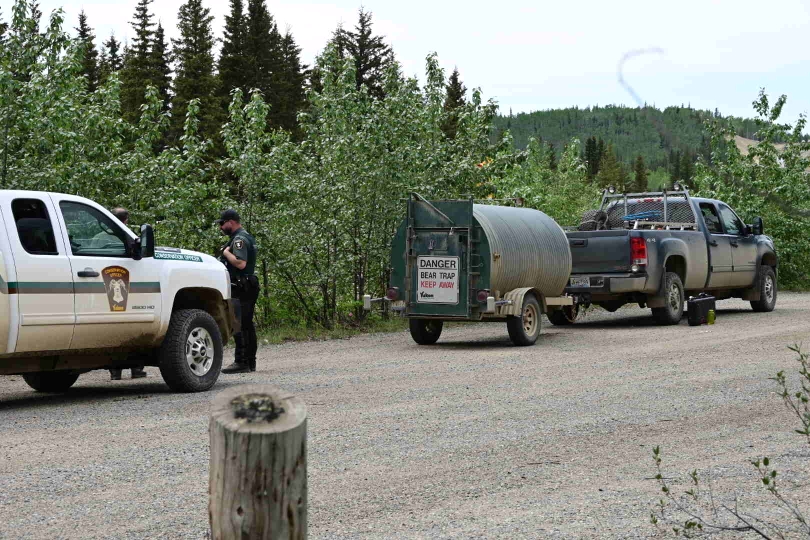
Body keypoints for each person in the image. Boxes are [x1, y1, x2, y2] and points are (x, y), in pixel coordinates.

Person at [107, 208, 148, 381]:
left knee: (113, 331)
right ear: (125, 221)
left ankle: (115, 371)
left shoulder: (97, 237)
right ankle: (136, 369)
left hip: (106, 285)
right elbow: (138, 256)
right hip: (125, 284)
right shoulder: (127, 237)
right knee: (135, 330)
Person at [217, 209, 260, 374]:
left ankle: (241, 361)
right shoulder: (246, 236)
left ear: (231, 222)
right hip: (247, 285)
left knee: (239, 324)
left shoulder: (239, 240)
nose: (221, 227)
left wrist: (226, 253)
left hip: (242, 286)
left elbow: (240, 263)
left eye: (222, 223)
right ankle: (250, 362)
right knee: (247, 324)